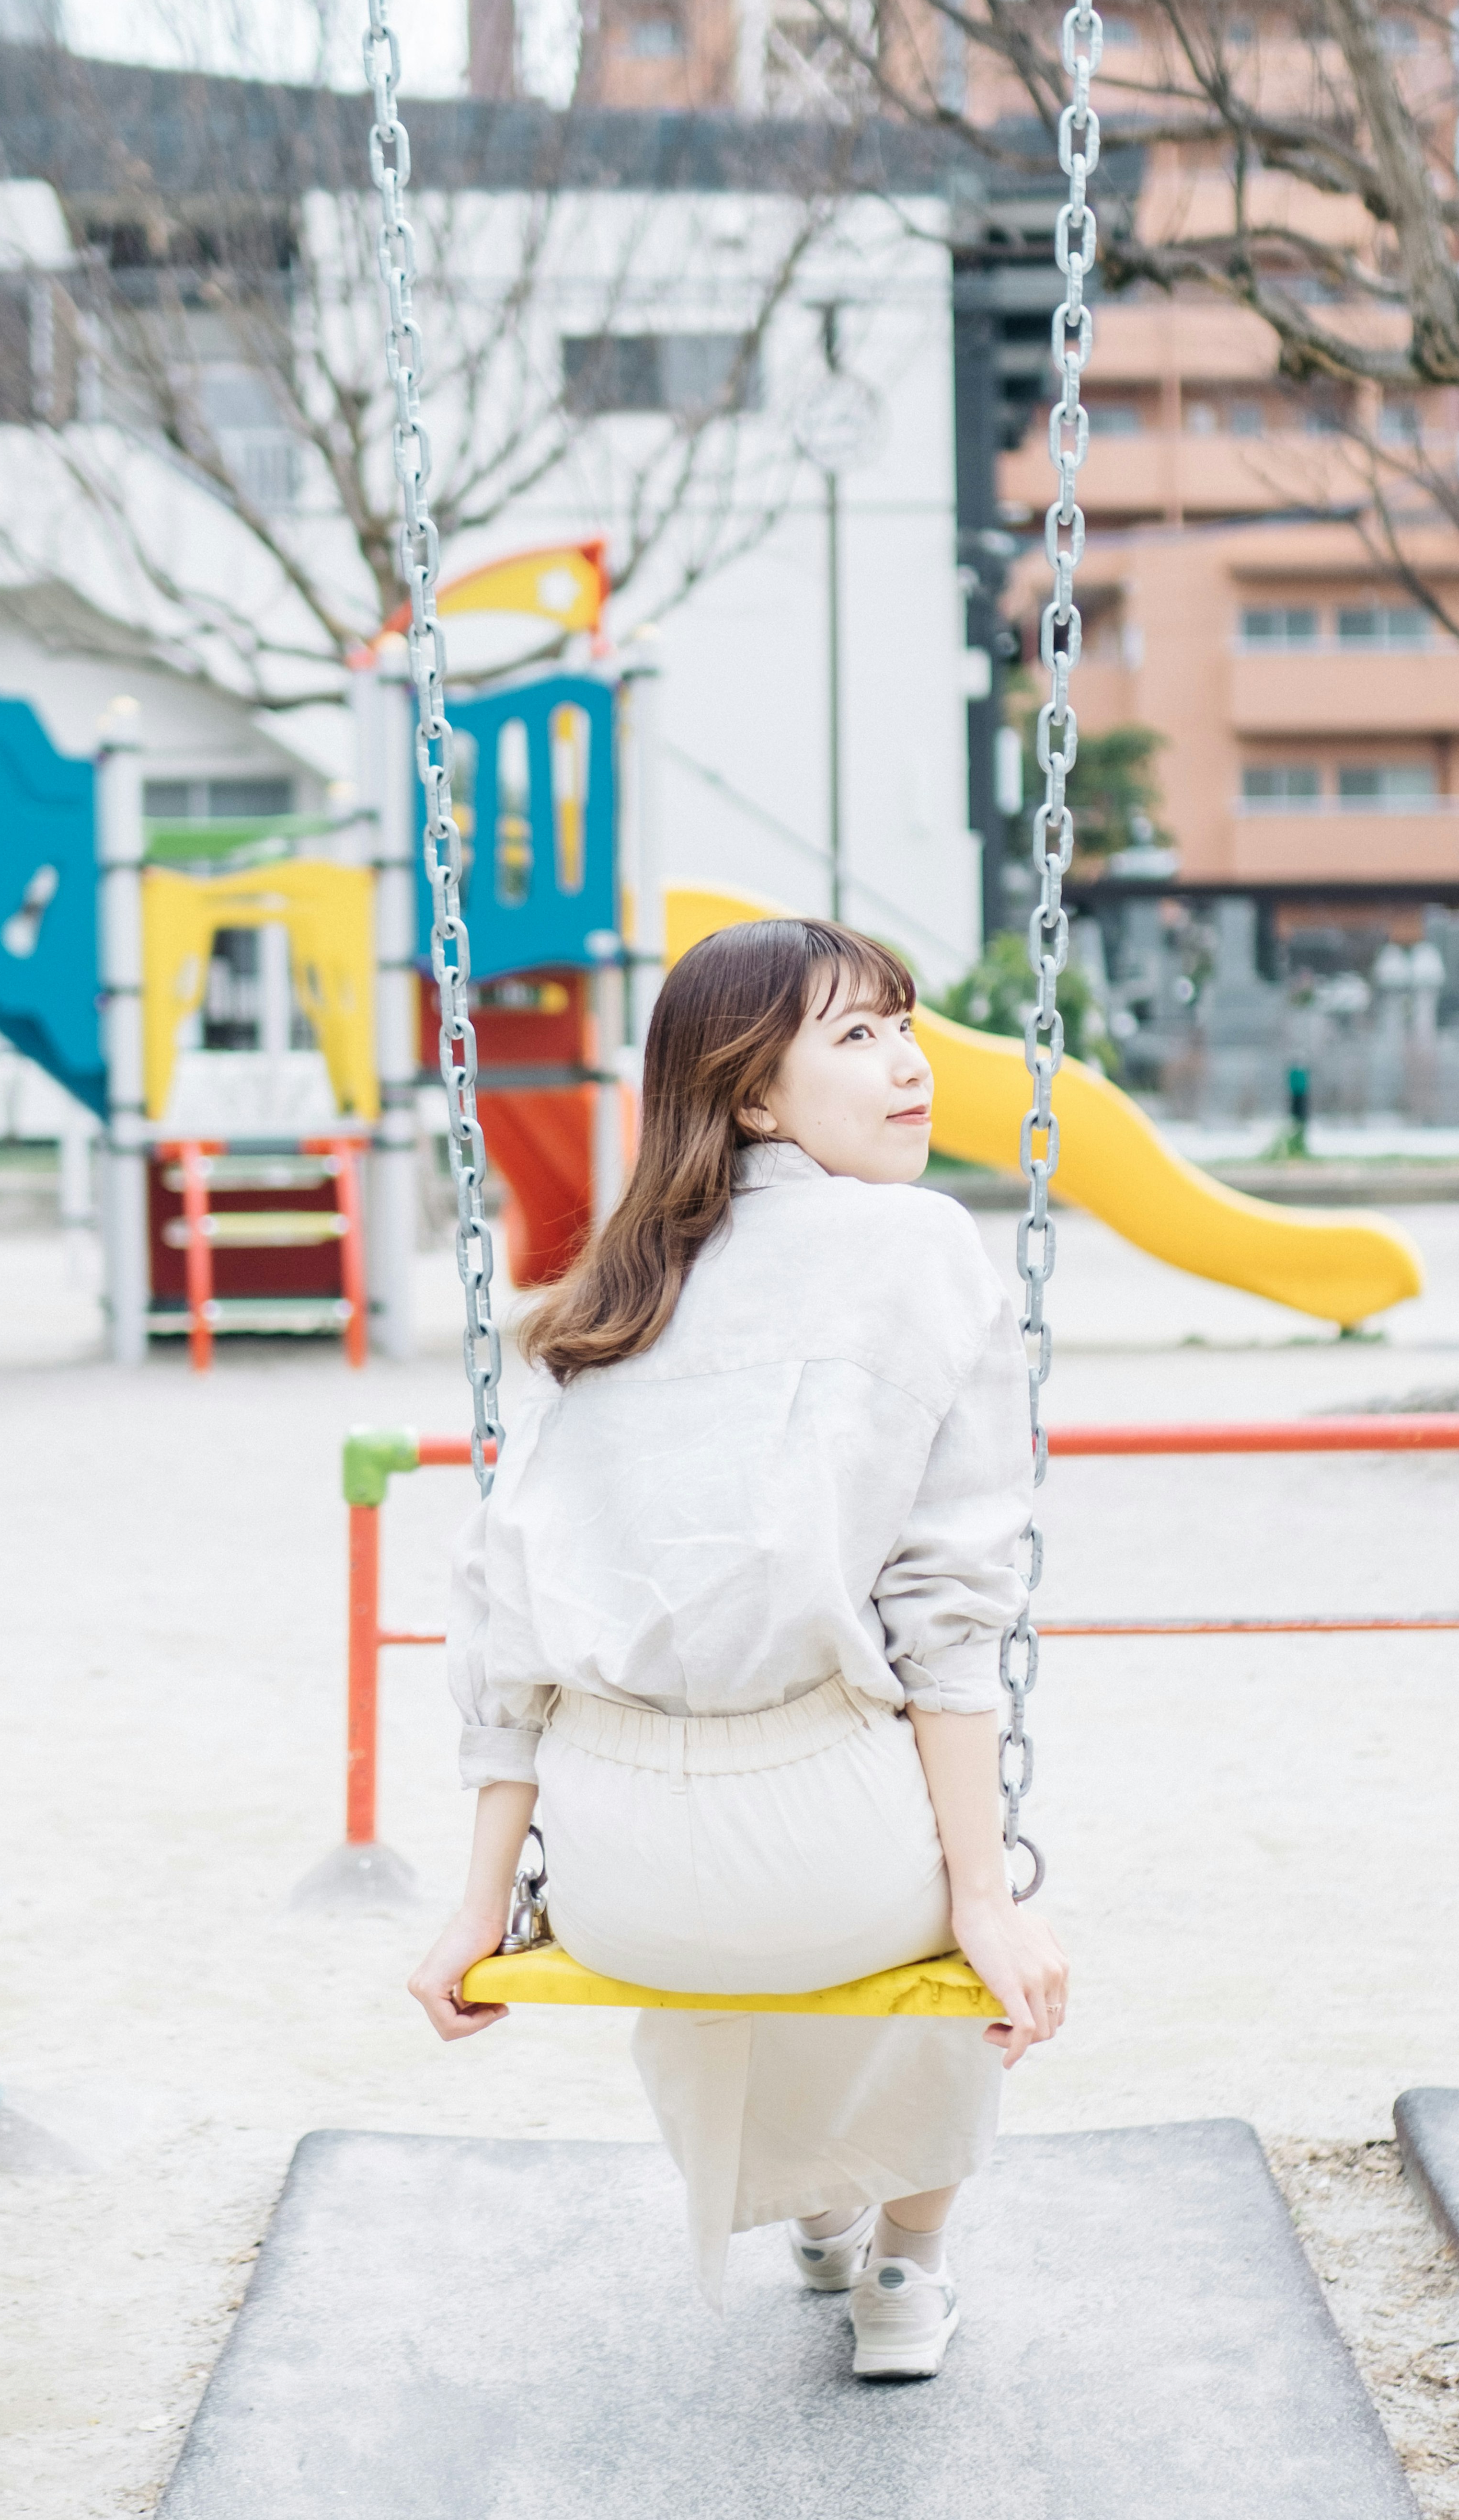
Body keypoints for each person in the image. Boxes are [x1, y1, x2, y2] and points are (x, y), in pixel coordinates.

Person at [409, 917, 1069, 2377]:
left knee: (740, 1928)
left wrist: (476, 1914)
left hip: (615, 1874)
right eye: (855, 1037)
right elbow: (948, 1618)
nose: (908, 1066)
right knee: (905, 1877)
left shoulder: (617, 1290)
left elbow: (506, 1630)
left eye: (904, 1025)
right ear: (754, 1096)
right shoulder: (917, 1244)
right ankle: (905, 2264)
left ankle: (814, 2212)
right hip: (824, 1855)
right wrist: (987, 1897)